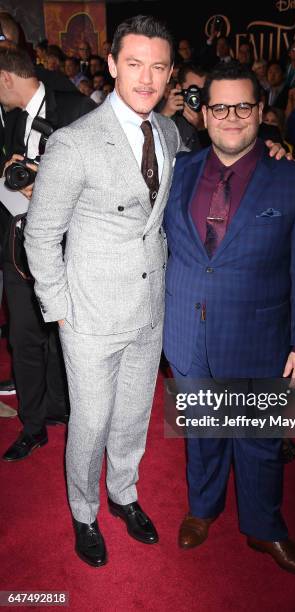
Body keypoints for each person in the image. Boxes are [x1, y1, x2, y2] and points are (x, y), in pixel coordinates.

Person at [24, 15, 185, 569]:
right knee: (89, 424)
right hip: (88, 314)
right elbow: (41, 235)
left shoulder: (167, 132)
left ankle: (124, 494)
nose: (146, 78)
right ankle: (84, 510)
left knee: (134, 414)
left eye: (158, 67)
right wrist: (60, 311)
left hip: (148, 307)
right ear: (113, 65)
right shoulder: (74, 142)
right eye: (134, 64)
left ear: (169, 74)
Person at [163, 63, 295, 577]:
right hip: (188, 334)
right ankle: (203, 507)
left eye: (243, 106)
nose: (231, 117)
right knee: (202, 431)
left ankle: (264, 528)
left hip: (260, 339)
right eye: (220, 107)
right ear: (204, 113)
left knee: (258, 441)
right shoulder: (180, 170)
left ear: (260, 112)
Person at [0, 44, 95, 463]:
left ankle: (66, 410)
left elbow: (99, 176)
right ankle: (33, 425)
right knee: (24, 339)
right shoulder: (6, 118)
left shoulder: (76, 108)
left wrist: (51, 184)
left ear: (6, 76)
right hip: (16, 246)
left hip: (66, 246)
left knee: (65, 336)